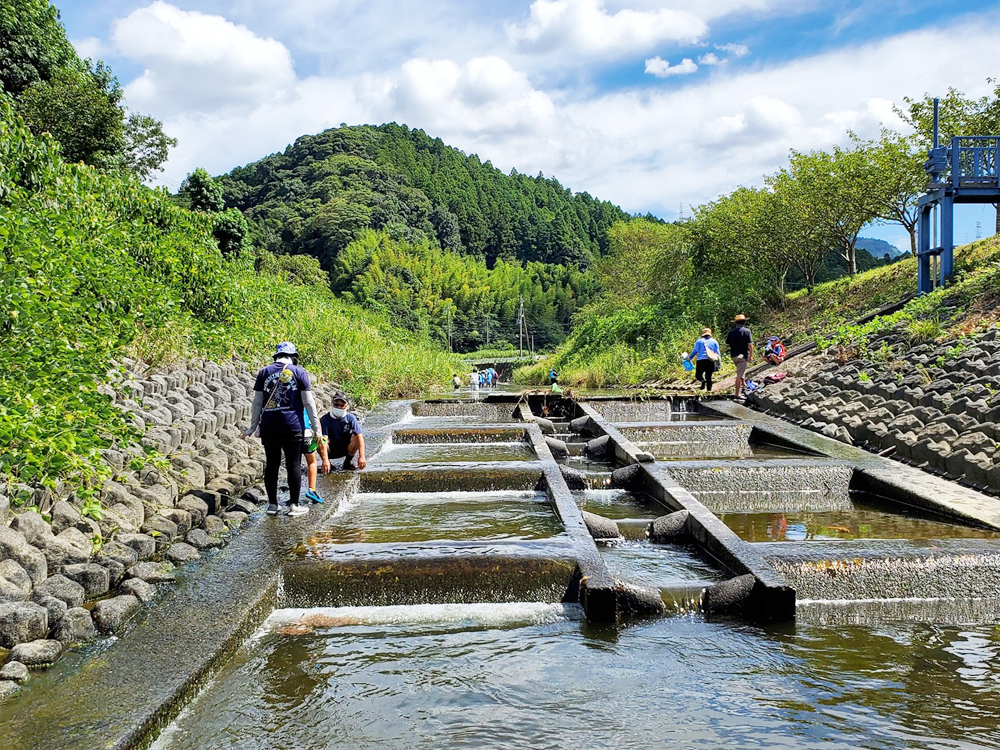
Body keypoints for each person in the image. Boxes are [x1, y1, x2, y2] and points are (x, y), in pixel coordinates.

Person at [243, 342, 320, 517]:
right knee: (293, 463)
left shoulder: (264, 372)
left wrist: (252, 427)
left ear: (276, 356)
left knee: (272, 464)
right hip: (293, 426)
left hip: (269, 426)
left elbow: (257, 402)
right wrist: (317, 429)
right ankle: (294, 505)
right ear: (293, 357)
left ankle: (272, 505)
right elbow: (308, 402)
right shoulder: (299, 372)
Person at [319, 391, 367, 472]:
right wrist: (325, 460)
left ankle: (348, 461)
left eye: (342, 405)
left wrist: (362, 456)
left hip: (345, 449)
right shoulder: (325, 419)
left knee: (357, 437)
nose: (339, 407)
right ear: (332, 404)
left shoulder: (351, 418)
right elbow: (324, 439)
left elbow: (359, 436)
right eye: (336, 404)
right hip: (330, 449)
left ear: (346, 406)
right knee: (319, 439)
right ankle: (328, 464)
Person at [725, 314, 754, 399]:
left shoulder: (731, 332)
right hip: (742, 356)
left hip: (734, 356)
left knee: (741, 370)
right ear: (744, 322)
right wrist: (751, 355)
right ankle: (737, 394)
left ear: (736, 323)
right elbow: (750, 345)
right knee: (739, 375)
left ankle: (744, 385)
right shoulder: (747, 331)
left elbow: (727, 344)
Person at [686, 327, 721, 392]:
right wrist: (719, 363)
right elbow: (717, 353)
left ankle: (702, 381)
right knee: (709, 377)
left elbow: (695, 351)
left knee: (698, 375)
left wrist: (689, 358)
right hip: (711, 361)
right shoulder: (714, 341)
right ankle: (709, 391)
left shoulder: (699, 341)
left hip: (701, 361)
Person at [302, 409, 324, 504]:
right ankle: (311, 489)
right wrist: (318, 433)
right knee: (312, 462)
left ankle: (293, 495)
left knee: (293, 463)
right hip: (306, 434)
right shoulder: (305, 399)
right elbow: (314, 417)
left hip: (291, 433)